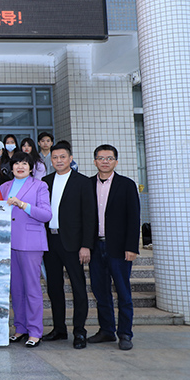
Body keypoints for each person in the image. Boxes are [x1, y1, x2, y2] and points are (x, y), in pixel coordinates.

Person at [42, 142, 96, 349]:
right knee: (54, 287)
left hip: (74, 243)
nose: (59, 161)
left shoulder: (83, 182)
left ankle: (79, 331)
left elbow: (89, 217)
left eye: (62, 157)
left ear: (70, 158)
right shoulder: (45, 181)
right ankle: (59, 329)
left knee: (78, 287)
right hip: (51, 241)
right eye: (55, 157)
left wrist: (86, 245)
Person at [87, 145, 140, 351]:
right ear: (95, 161)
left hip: (118, 248)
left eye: (109, 158)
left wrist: (131, 247)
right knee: (100, 292)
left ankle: (125, 333)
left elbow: (134, 218)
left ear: (116, 162)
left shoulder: (126, 185)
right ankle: (107, 330)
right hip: (95, 247)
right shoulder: (87, 184)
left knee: (123, 292)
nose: (105, 162)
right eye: (101, 158)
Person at [0, 152, 52, 348]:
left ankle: (35, 331)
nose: (20, 167)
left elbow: (46, 215)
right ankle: (20, 328)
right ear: (11, 167)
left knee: (32, 288)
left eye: (24, 163)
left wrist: (23, 205)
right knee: (16, 289)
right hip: (8, 243)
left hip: (30, 243)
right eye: (16, 163)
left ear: (31, 168)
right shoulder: (4, 187)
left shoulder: (40, 186)